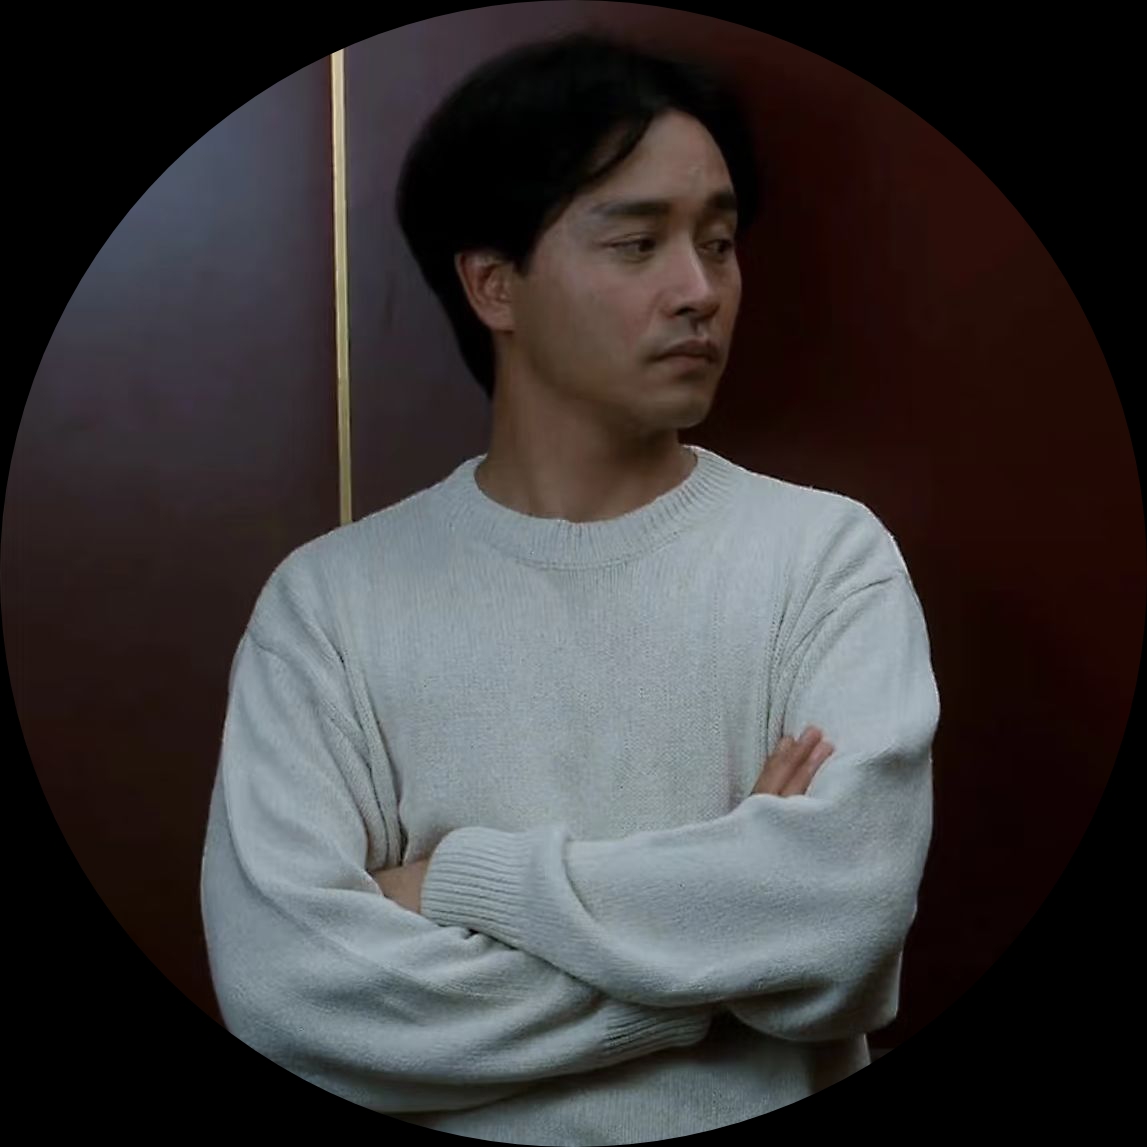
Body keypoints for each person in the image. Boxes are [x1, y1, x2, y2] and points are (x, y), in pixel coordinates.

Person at [200, 30, 940, 1144]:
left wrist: (458, 880)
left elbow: (842, 920)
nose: (700, 290)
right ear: (493, 283)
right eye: (638, 243)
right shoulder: (328, 608)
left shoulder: (826, 560)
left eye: (719, 241)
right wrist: (728, 954)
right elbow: (291, 998)